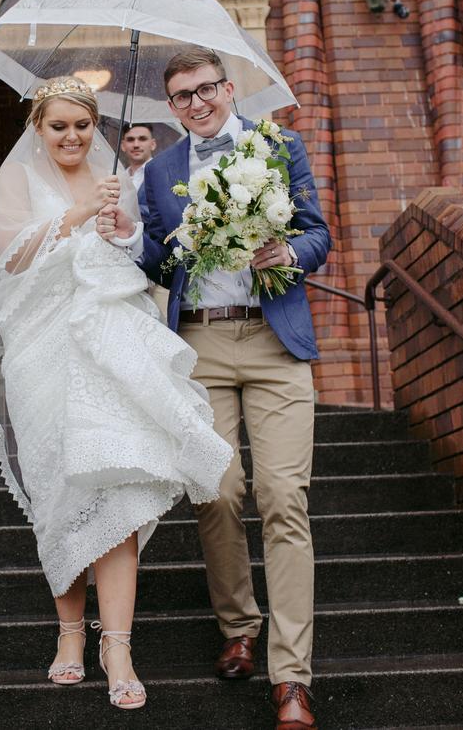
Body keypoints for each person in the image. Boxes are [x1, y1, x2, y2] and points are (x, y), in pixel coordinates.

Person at [0, 76, 232, 712]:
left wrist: (119, 224)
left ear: (97, 127)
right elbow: (8, 259)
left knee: (118, 488)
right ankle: (69, 634)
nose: (72, 136)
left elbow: (136, 258)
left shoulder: (117, 178)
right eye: (58, 125)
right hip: (43, 348)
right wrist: (74, 212)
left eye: (82, 125)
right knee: (62, 488)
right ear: (39, 127)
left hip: (108, 345)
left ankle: (116, 644)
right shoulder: (15, 181)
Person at [137, 47, 331, 729]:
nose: (197, 102)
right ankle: (238, 625)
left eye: (207, 88)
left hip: (276, 340)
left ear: (228, 88)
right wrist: (134, 236)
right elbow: (157, 256)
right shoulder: (159, 171)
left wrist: (290, 252)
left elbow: (318, 234)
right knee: (217, 490)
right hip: (201, 342)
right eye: (183, 95)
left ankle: (292, 676)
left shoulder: (279, 145)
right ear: (172, 106)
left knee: (282, 495)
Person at [121, 122, 156, 222]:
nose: (136, 145)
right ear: (123, 145)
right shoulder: (119, 176)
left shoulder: (163, 174)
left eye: (142, 139)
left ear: (152, 144)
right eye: (130, 140)